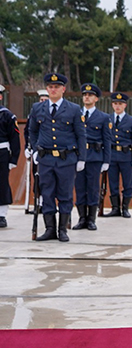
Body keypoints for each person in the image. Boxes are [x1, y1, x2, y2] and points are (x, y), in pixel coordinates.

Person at [28, 73, 87, 242]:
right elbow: (32, 130)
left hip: (66, 159)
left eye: (57, 87)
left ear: (63, 89)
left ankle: (62, 229)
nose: (53, 90)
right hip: (45, 159)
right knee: (47, 194)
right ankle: (49, 229)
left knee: (65, 194)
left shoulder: (74, 109)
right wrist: (34, 149)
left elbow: (81, 135)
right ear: (47, 89)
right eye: (50, 87)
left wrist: (81, 158)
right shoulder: (38, 108)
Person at [71, 83, 112, 231]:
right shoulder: (75, 114)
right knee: (80, 187)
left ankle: (91, 219)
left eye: (90, 95)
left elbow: (107, 140)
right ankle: (82, 218)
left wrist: (106, 160)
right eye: (85, 95)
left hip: (95, 157)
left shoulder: (103, 117)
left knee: (93, 188)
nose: (87, 97)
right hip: (78, 156)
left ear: (96, 99)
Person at [104, 92, 132, 218]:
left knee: (127, 183)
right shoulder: (107, 119)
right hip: (112, 155)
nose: (118, 106)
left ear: (125, 105)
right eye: (115, 103)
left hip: (126, 156)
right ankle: (115, 208)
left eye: (120, 104)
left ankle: (125, 208)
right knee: (112, 183)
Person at [0, 84, 22, 228]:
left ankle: (1, 214)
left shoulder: (7, 115)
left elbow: (15, 138)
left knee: (1, 184)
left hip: (1, 153)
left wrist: (14, 159)